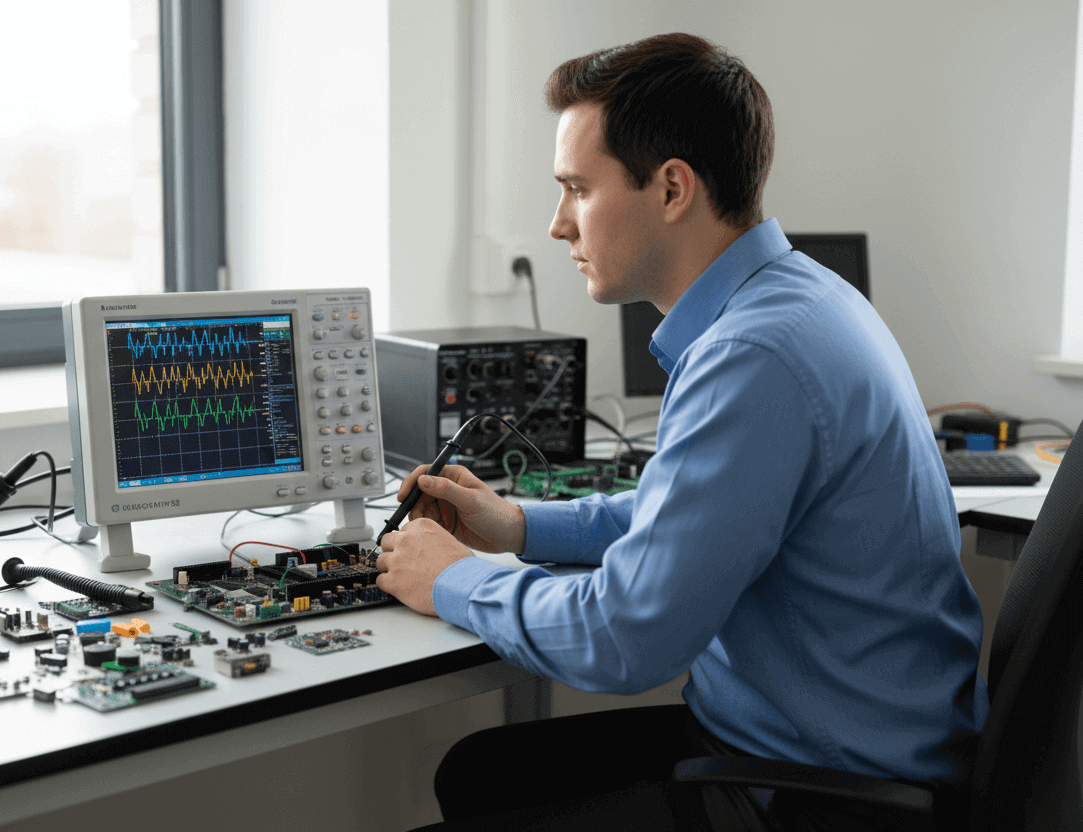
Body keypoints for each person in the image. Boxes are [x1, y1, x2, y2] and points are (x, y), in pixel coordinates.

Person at [376, 33, 988, 832]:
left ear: (671, 188)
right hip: (822, 747)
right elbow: (692, 515)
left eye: (576, 189)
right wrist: (520, 525)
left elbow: (627, 637)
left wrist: (449, 576)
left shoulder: (754, 353)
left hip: (817, 795)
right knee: (478, 770)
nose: (558, 224)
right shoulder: (800, 299)